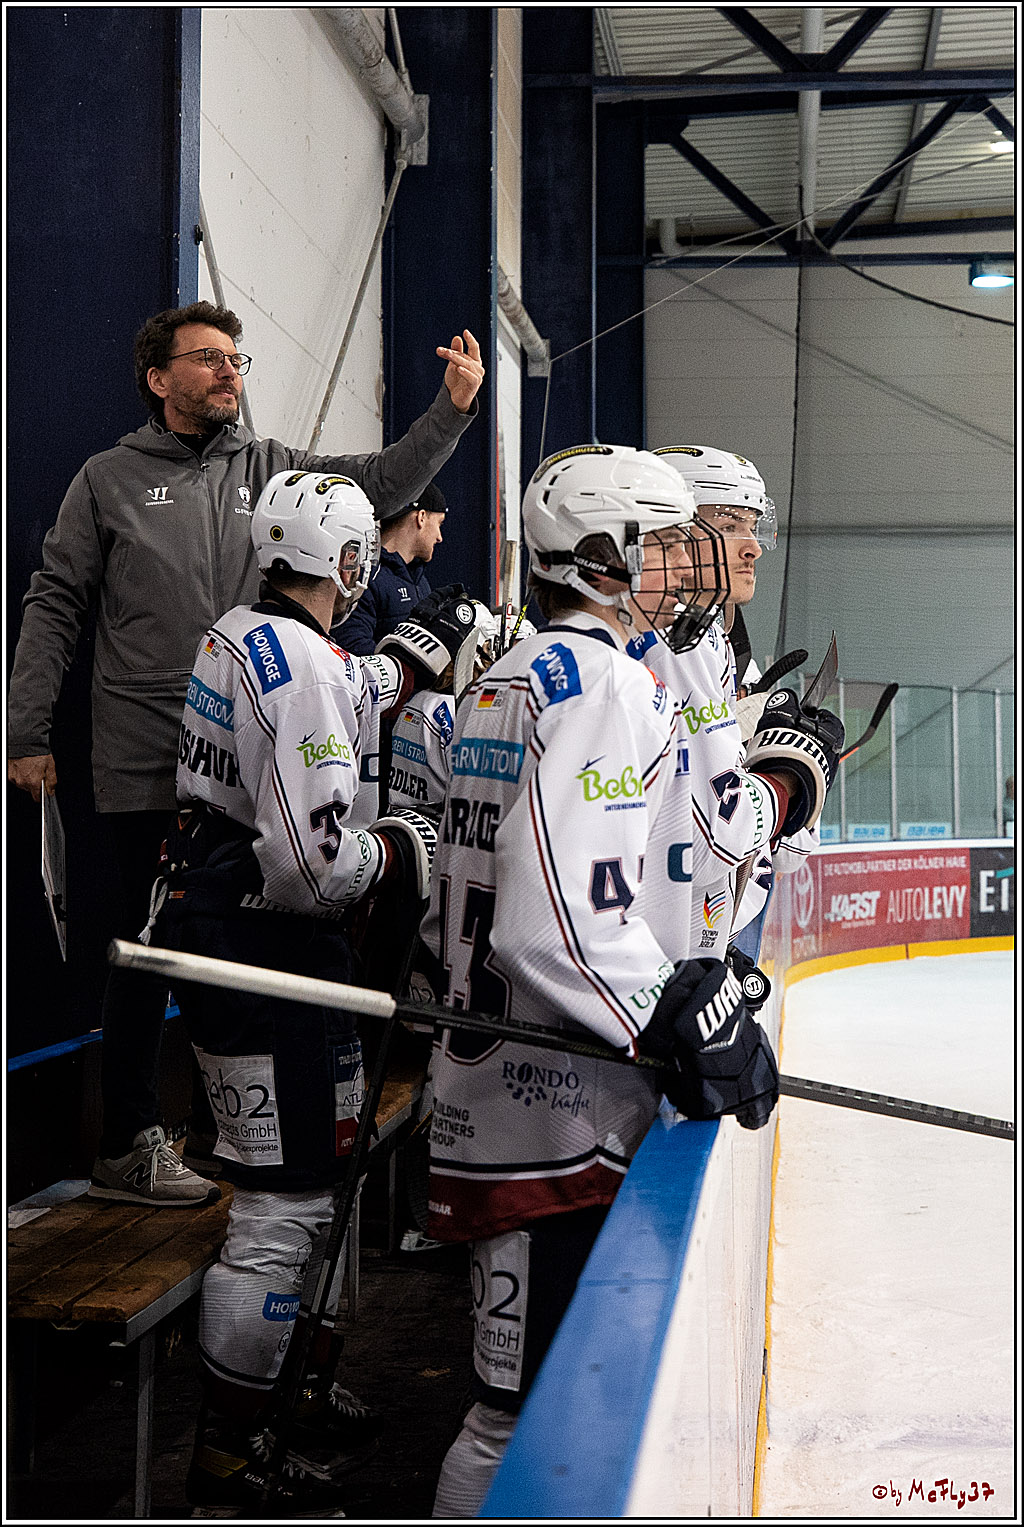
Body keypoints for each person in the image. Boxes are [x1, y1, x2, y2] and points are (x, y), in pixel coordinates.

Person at [6, 299, 483, 1205]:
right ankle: (127, 1140)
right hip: (145, 758)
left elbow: (377, 485)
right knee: (146, 953)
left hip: (260, 768)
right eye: (210, 359)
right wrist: (26, 732)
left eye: (237, 358)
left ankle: (247, 1134)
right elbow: (54, 602)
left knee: (254, 942)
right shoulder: (106, 480)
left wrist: (451, 410)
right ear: (160, 378)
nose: (231, 371)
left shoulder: (270, 468)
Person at [421, 444, 823, 1517]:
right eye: (662, 548)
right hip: (551, 1109)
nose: (686, 569)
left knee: (508, 1398)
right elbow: (553, 921)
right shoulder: (599, 680)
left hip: (494, 1079)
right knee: (514, 1410)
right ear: (599, 558)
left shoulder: (519, 671)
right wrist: (673, 1016)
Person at [151, 469, 475, 1514]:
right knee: (282, 1211)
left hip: (241, 936)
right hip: (268, 948)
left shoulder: (240, 631)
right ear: (346, 560)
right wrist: (396, 849)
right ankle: (230, 1465)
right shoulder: (302, 671)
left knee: (318, 1187)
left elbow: (342, 682)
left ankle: (289, 1402)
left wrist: (406, 661)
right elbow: (309, 865)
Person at [338, 480, 449, 656]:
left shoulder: (418, 579)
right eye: (439, 523)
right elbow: (354, 651)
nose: (439, 537)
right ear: (421, 517)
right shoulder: (365, 576)